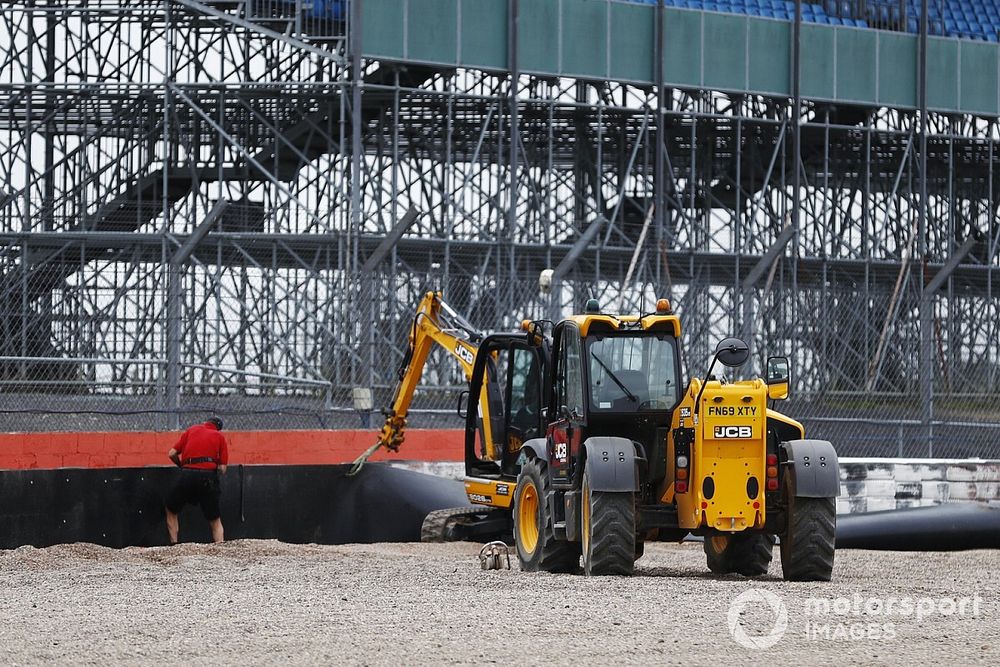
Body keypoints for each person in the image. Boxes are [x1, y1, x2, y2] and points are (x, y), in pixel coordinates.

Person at [164, 417, 229, 544]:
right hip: (208, 477)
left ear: (205, 422)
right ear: (218, 428)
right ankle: (220, 547)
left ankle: (174, 544)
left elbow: (172, 453)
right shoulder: (219, 437)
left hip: (187, 474)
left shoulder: (191, 430)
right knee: (215, 519)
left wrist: (182, 466)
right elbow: (222, 468)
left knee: (171, 509)